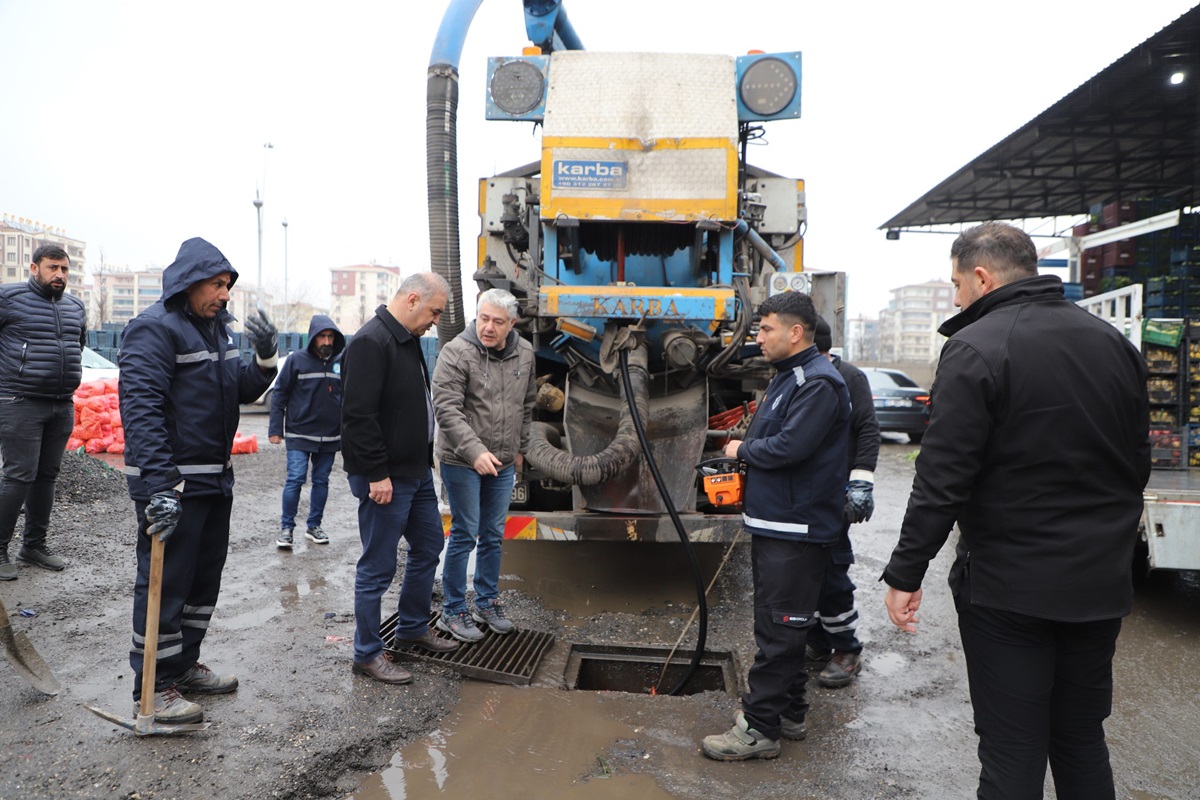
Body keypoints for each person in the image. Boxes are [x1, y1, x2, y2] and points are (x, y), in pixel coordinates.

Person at [881, 222, 1150, 799]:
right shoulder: (1115, 345)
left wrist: (906, 573)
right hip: (1098, 585)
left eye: (956, 285)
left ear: (981, 276)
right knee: (1081, 740)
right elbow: (1137, 463)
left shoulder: (976, 347)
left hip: (1009, 591)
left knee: (1012, 750)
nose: (955, 299)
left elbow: (942, 480)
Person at [119, 237, 278, 724]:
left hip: (214, 483)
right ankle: (153, 688)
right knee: (166, 586)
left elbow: (240, 392)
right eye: (216, 284)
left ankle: (183, 668)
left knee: (201, 584)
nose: (225, 294)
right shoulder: (154, 330)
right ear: (188, 283)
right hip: (175, 486)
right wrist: (160, 485)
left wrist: (266, 359)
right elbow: (141, 410)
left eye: (228, 285)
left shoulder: (218, 334)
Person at [701, 291, 850, 762]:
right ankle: (789, 713)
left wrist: (739, 451)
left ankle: (759, 730)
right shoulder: (789, 378)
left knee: (779, 633)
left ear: (795, 332)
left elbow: (791, 447)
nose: (758, 337)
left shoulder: (817, 382)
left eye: (766, 329)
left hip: (796, 529)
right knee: (784, 626)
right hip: (778, 525)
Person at [341, 272, 459, 686]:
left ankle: (411, 626)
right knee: (377, 566)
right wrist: (377, 474)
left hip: (416, 472)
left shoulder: (406, 341)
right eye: (434, 312)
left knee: (430, 545)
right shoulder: (371, 342)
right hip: (386, 477)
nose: (436, 321)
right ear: (412, 299)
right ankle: (367, 653)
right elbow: (358, 417)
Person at [431, 288, 536, 642]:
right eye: (484, 318)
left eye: (498, 322)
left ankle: (487, 602)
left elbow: (528, 404)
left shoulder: (524, 353)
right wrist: (475, 452)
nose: (488, 327)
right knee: (464, 532)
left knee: (493, 534)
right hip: (462, 460)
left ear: (512, 324)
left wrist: (519, 449)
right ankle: (454, 610)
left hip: (503, 463)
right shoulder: (456, 352)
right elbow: (446, 408)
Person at [0, 244, 86, 580]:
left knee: (46, 476)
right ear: (34, 268)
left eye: (64, 269)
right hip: (19, 401)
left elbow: (75, 347)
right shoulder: (8, 298)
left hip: (61, 403)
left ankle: (33, 545)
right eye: (53, 268)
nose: (60, 275)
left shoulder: (75, 306)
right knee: (18, 476)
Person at [805, 315, 879, 688]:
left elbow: (867, 428)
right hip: (803, 494)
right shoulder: (797, 376)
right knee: (804, 571)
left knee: (831, 572)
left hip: (834, 495)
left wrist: (861, 482)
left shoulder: (849, 377)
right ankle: (818, 641)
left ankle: (847, 650)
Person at [268, 314, 345, 549]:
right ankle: (287, 528)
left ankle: (314, 526)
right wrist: (275, 428)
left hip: (331, 436)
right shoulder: (296, 361)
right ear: (313, 337)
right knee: (295, 480)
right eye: (322, 336)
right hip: (300, 433)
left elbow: (350, 397)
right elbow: (279, 394)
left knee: (321, 481)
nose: (327, 341)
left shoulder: (341, 362)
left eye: (331, 336)